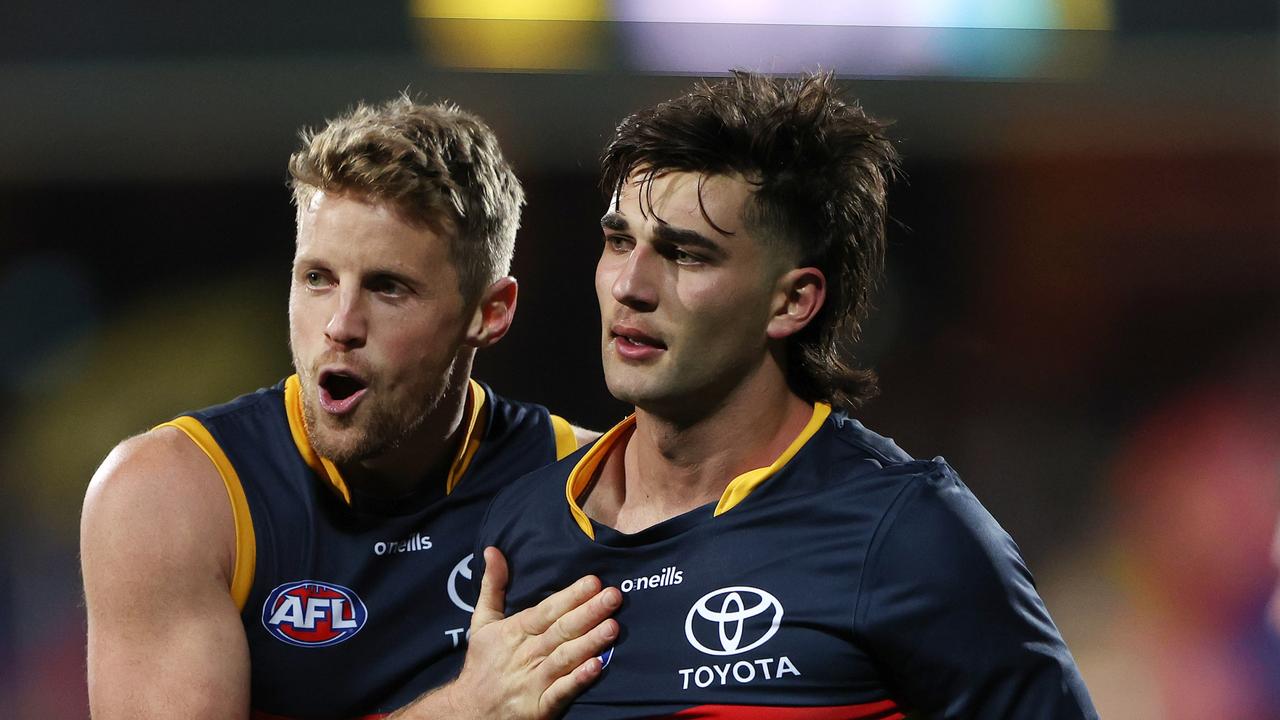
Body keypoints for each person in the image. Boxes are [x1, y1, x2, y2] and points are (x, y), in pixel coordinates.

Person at [474, 71, 1099, 718]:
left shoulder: (906, 536)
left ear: (793, 301)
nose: (631, 285)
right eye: (619, 240)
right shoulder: (520, 526)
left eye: (686, 254)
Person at [81, 96, 620, 720]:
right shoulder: (171, 496)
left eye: (388, 288)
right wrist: (468, 709)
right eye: (317, 279)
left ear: (489, 313)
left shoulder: (589, 485)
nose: (340, 324)